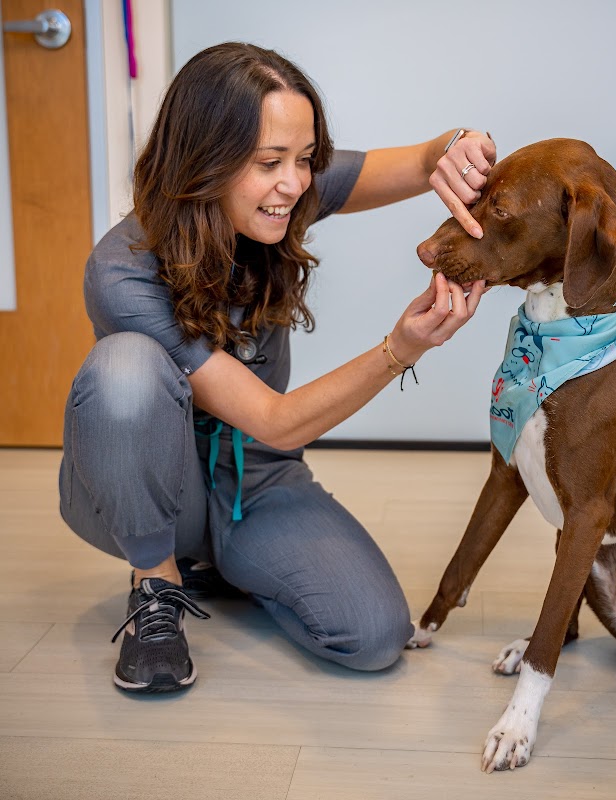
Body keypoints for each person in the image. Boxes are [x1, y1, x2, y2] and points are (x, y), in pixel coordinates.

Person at [59, 42, 494, 694]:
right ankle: (158, 582)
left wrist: (459, 143)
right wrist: (401, 348)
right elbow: (276, 420)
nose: (294, 183)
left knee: (374, 636)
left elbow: (424, 158)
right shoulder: (122, 269)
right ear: (203, 160)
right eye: (269, 162)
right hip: (156, 483)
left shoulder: (280, 196)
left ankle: (229, 562)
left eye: (306, 158)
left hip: (253, 478)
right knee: (125, 369)